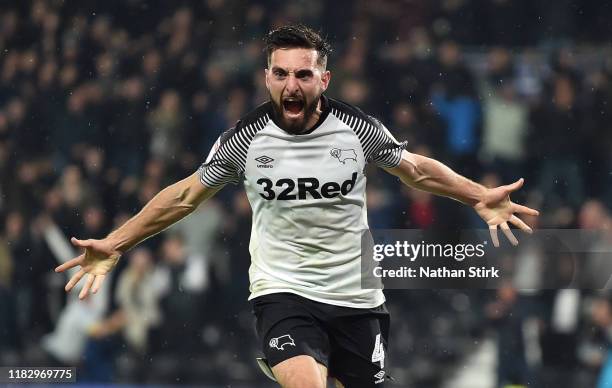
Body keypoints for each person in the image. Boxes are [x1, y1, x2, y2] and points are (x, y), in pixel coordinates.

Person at [55, 24, 539, 388]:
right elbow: (183, 196)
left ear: (323, 79)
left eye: (303, 74)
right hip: (283, 291)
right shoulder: (243, 140)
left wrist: (479, 195)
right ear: (267, 78)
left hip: (357, 298)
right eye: (281, 73)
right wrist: (116, 243)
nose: (292, 85)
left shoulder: (358, 130)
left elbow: (414, 170)